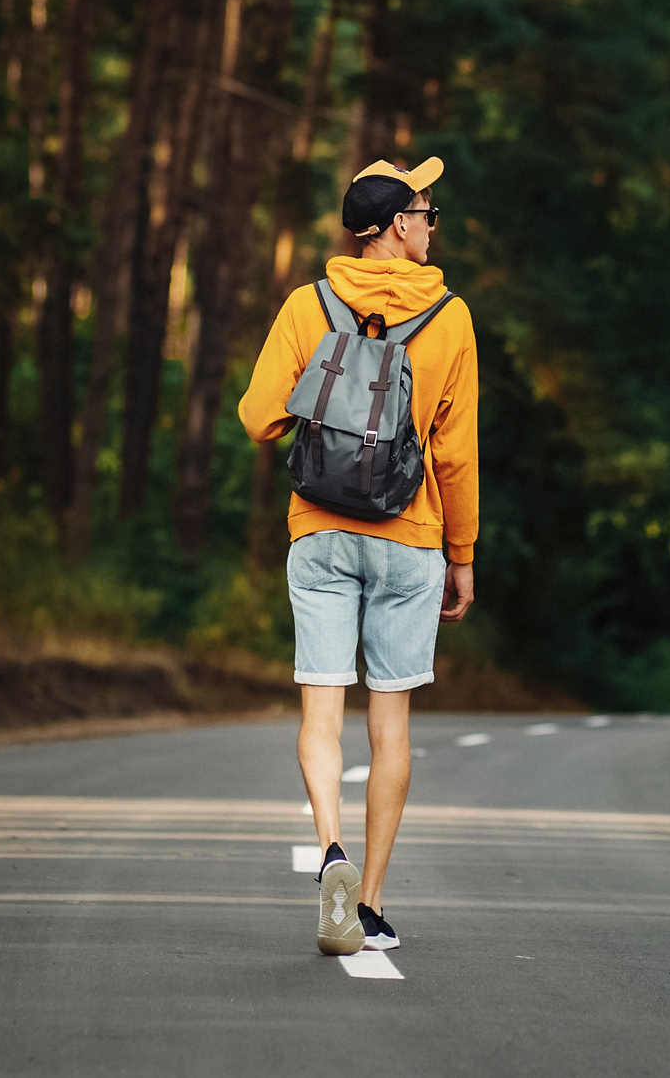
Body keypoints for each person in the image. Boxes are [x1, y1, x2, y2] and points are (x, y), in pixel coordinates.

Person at [238, 157, 478, 957]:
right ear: (399, 226)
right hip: (409, 535)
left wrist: (321, 399)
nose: (433, 225)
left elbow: (257, 417)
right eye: (428, 212)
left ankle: (330, 848)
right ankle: (369, 904)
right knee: (390, 726)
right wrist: (462, 554)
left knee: (320, 712)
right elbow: (456, 454)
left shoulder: (308, 304)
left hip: (320, 529)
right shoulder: (450, 317)